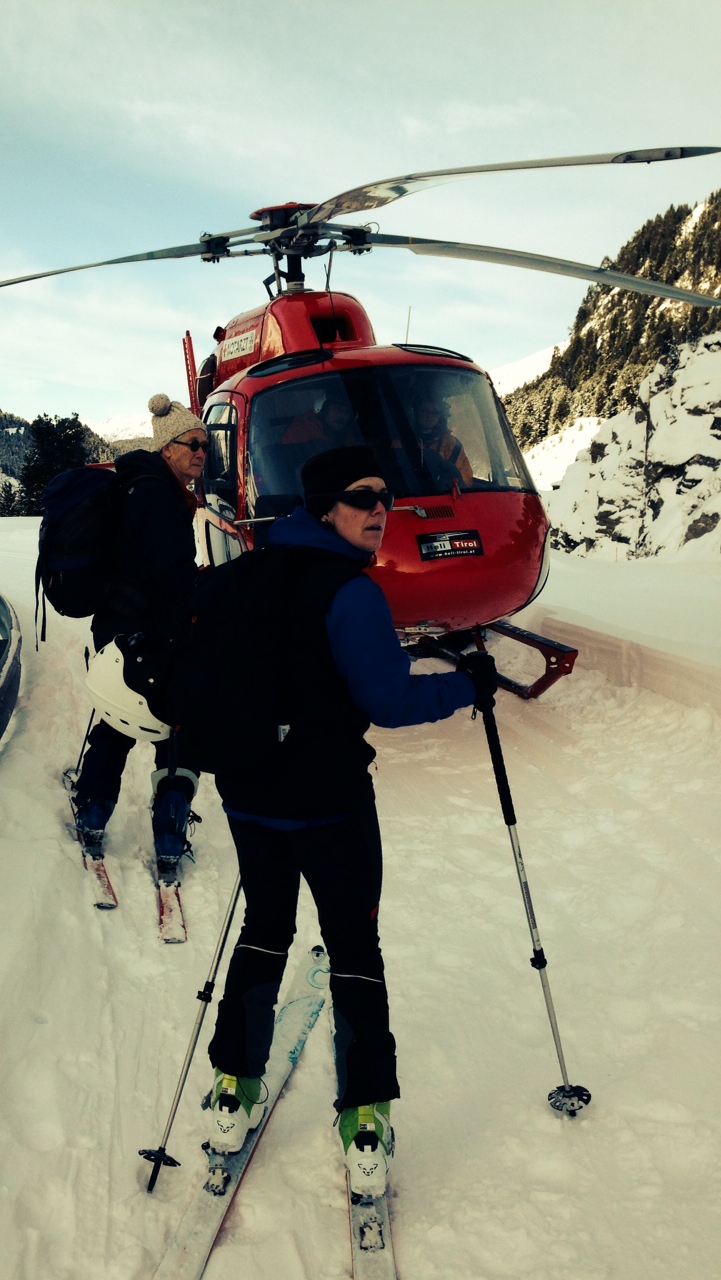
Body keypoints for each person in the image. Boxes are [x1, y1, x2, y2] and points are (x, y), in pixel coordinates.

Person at [202, 444, 497, 1198]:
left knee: (265, 932)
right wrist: (466, 684)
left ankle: (233, 1094)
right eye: (364, 498)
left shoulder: (239, 576)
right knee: (353, 946)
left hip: (248, 798)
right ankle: (364, 1119)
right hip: (331, 805)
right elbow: (391, 703)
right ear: (325, 507)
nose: (380, 512)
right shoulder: (351, 593)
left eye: (386, 500)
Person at [72, 393, 207, 886]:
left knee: (118, 717)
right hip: (154, 635)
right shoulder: (159, 497)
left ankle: (91, 809)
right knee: (174, 728)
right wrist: (205, 590)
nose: (200, 452)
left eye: (205, 445)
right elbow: (173, 576)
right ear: (168, 448)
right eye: (192, 443)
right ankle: (169, 833)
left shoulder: (139, 485)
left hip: (118, 628)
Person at [411, 399, 474, 487]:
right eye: (424, 411)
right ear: (415, 413)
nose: (429, 416)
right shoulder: (400, 442)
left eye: (434, 412)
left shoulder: (452, 445)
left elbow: (465, 480)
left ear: (440, 416)